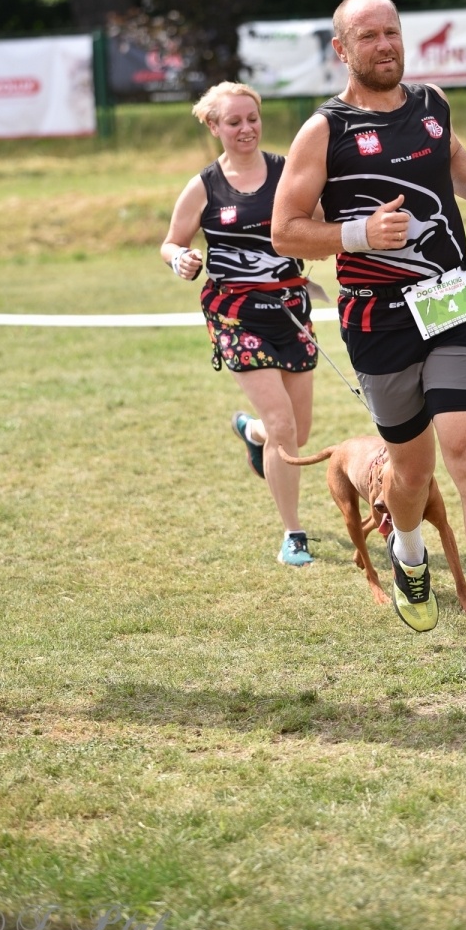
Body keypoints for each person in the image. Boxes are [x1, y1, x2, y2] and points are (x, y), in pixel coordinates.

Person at [271, 0, 466, 680]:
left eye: (391, 33)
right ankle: (408, 552)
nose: (384, 46)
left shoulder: (430, 104)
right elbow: (284, 230)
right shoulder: (322, 131)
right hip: (376, 319)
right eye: (367, 36)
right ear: (341, 50)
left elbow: (448, 155)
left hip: (451, 299)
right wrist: (361, 233)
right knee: (411, 473)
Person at [161, 81, 318, 567]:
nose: (246, 128)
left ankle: (251, 434)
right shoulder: (204, 185)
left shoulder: (287, 172)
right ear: (214, 126)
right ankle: (293, 533)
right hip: (233, 314)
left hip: (290, 309)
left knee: (298, 434)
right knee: (283, 424)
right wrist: (181, 260)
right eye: (234, 122)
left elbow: (320, 221)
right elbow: (171, 242)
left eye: (252, 118)